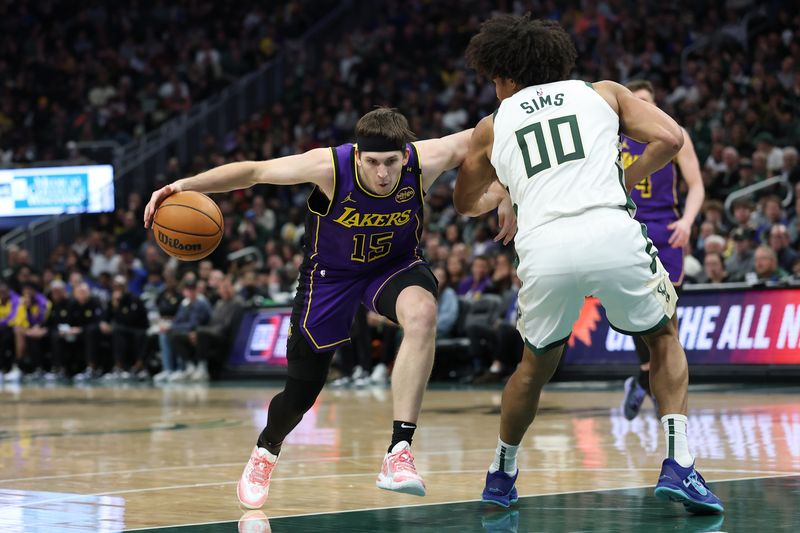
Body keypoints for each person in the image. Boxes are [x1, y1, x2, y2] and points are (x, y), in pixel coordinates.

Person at [143, 107, 516, 508]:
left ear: (406, 155)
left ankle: (399, 451)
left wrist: (507, 191)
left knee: (423, 314)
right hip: (329, 277)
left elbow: (498, 132)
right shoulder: (328, 165)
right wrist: (181, 185)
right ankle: (266, 450)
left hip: (393, 267)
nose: (383, 173)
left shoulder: (428, 158)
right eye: (372, 162)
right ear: (357, 155)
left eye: (391, 162)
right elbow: (253, 171)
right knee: (302, 393)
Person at [455, 15, 722, 514]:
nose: (494, 87)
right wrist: (628, 174)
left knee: (533, 367)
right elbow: (671, 137)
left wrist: (507, 189)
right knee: (662, 337)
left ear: (509, 76)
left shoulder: (493, 125)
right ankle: (679, 464)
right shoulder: (603, 93)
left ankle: (501, 472)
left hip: (544, 247)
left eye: (494, 77)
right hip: (609, 232)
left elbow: (466, 203)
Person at [618, 80, 705, 421]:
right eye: (634, 102)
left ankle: (650, 383)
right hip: (625, 225)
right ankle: (647, 376)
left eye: (646, 101)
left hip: (666, 226)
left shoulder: (672, 132)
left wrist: (688, 220)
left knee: (669, 317)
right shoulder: (611, 136)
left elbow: (696, 185)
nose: (641, 107)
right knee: (633, 308)